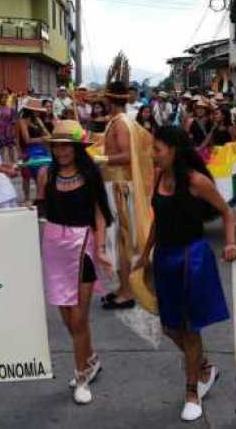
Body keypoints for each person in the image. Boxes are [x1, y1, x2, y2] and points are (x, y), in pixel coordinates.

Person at [134, 125, 236, 422]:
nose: (153, 154)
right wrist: (145, 255)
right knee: (169, 326)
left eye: (157, 149)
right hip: (164, 258)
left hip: (192, 258)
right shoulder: (157, 178)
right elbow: (158, 220)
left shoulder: (196, 181)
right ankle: (204, 367)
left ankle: (192, 391)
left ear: (174, 150)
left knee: (191, 329)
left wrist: (230, 242)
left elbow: (227, 213)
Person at [36, 120, 113, 405]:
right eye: (57, 146)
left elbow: (100, 215)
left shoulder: (91, 174)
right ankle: (91, 359)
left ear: (77, 148)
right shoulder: (46, 174)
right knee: (67, 318)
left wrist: (102, 248)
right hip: (54, 247)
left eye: (67, 145)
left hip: (83, 248)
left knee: (79, 318)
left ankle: (82, 375)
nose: (61, 151)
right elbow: (41, 208)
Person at [95, 81, 154, 310]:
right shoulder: (120, 121)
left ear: (109, 100)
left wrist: (102, 159)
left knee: (121, 240)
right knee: (118, 238)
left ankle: (128, 292)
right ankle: (122, 288)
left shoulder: (120, 123)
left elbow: (128, 155)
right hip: (115, 183)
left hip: (118, 186)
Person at [17, 97, 52, 199]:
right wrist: (43, 138)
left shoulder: (38, 120)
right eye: (37, 111)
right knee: (26, 176)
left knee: (41, 177)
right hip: (29, 151)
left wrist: (46, 138)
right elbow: (27, 140)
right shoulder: (22, 121)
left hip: (42, 150)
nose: (39, 113)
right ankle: (27, 198)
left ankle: (40, 197)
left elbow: (48, 135)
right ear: (31, 111)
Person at [0, 91, 17, 164]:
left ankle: (13, 164)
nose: (4, 99)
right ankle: (1, 164)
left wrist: (13, 130)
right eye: (2, 98)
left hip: (9, 130)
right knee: (1, 148)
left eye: (5, 98)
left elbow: (14, 120)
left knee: (11, 148)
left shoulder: (11, 109)